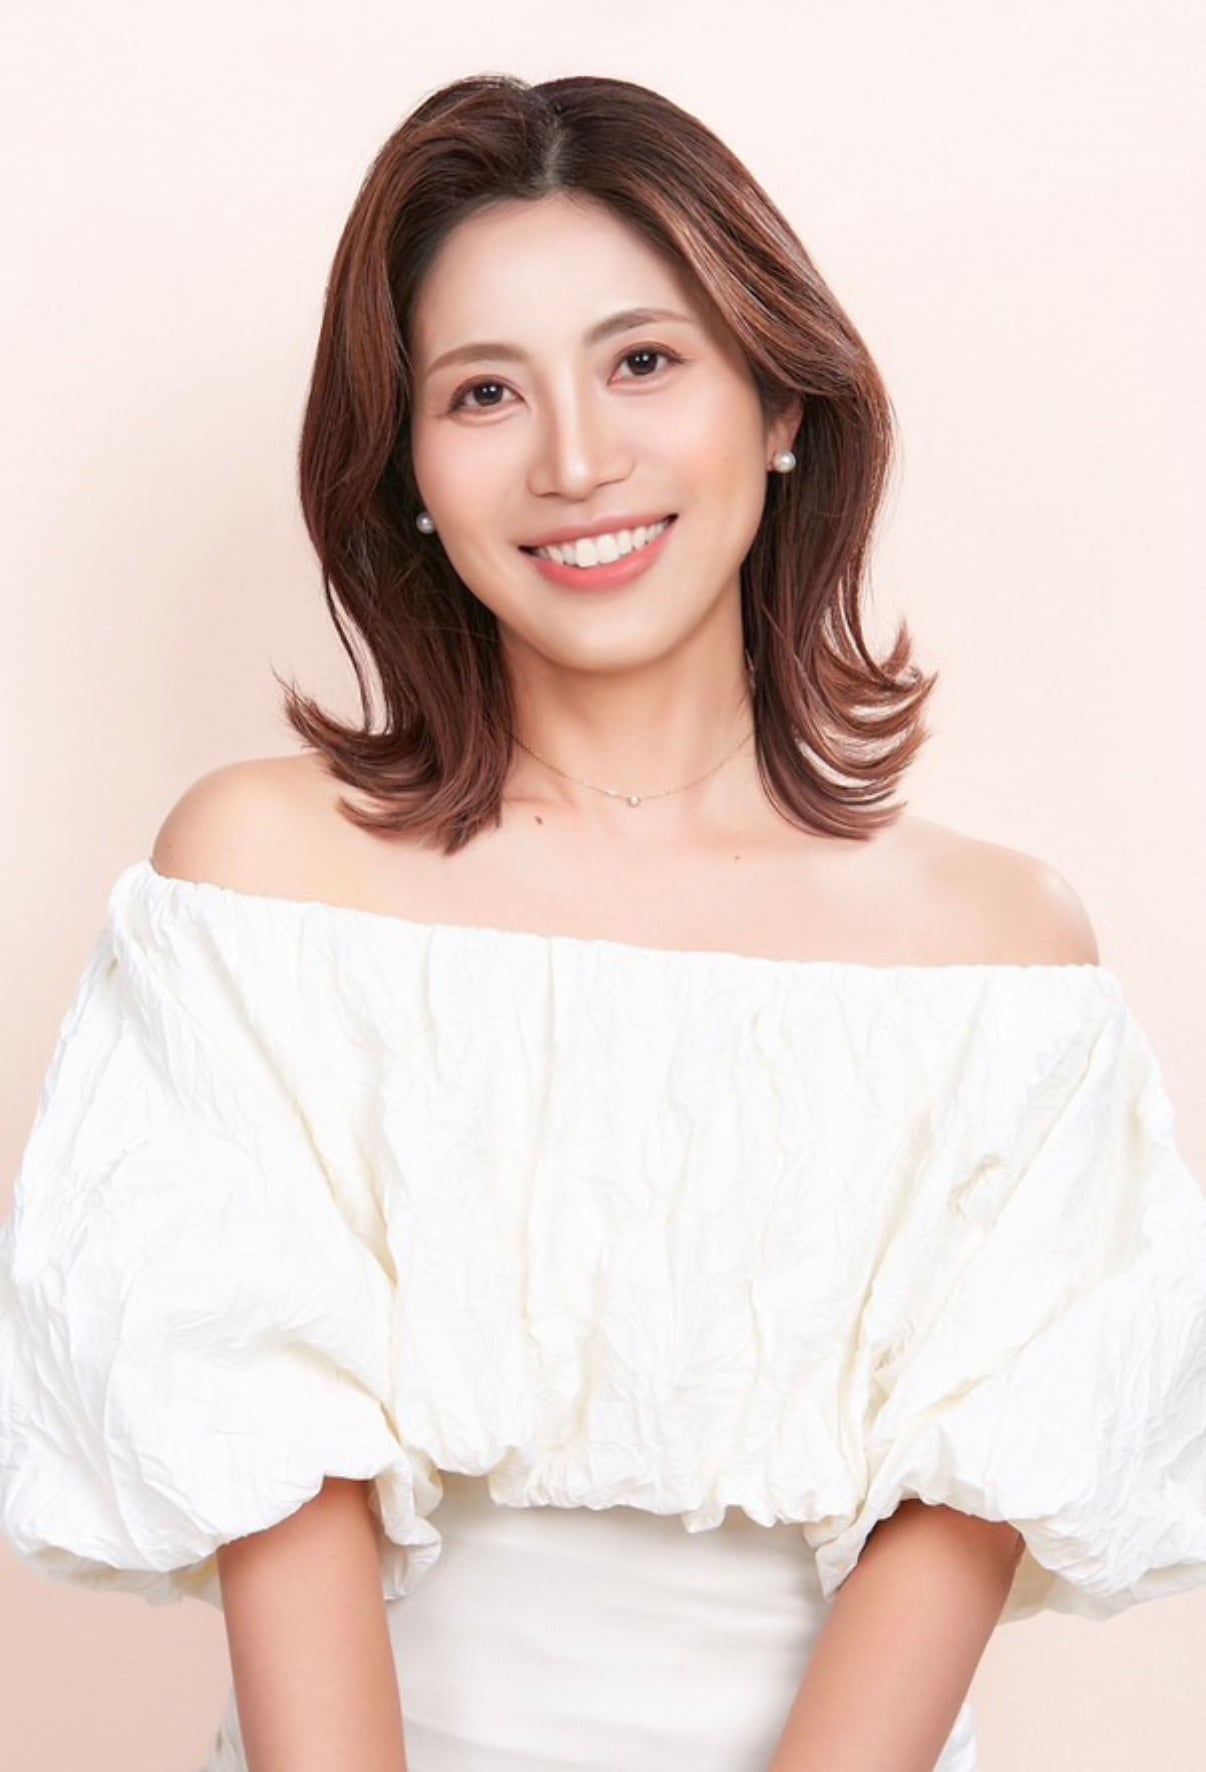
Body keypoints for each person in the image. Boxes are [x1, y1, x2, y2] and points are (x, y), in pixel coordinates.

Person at [1, 70, 1204, 1772]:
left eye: (643, 362)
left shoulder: (993, 954)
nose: (574, 461)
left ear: (779, 406)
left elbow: (964, 1517)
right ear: (409, 471)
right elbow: (269, 1461)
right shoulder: (266, 885)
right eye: (484, 392)